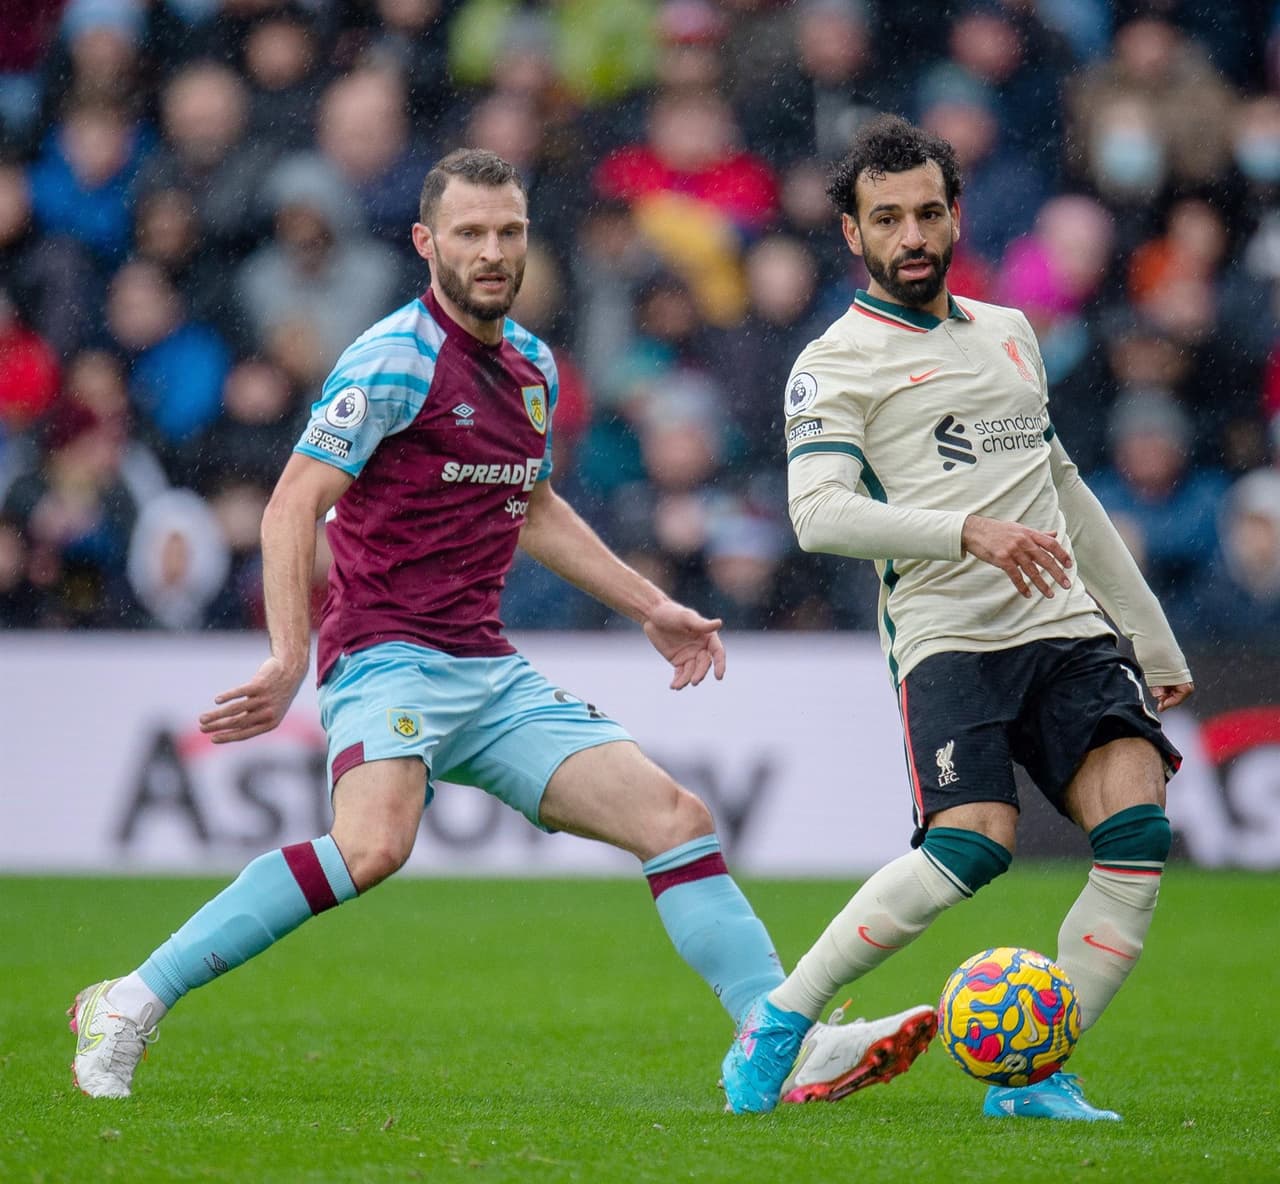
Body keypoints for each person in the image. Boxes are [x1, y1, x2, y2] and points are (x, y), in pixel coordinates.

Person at [68, 148, 916, 1105]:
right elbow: (291, 504)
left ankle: (777, 1039)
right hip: (385, 654)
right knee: (373, 846)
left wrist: (651, 606)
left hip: (484, 666)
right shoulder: (393, 359)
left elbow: (534, 506)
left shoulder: (532, 366)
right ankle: (128, 1000)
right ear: (426, 243)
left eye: (508, 231)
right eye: (469, 233)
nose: (492, 251)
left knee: (676, 820)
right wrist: (287, 658)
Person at [720, 116, 1192, 1119]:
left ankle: (1033, 1076)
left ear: (955, 216)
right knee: (971, 847)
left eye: (928, 213)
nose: (912, 236)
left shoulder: (1010, 331)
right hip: (949, 636)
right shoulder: (834, 362)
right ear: (850, 232)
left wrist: (1148, 633)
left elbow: (1063, 488)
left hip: (1066, 628)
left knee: (1137, 832)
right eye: (887, 217)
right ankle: (782, 1018)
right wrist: (964, 531)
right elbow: (817, 514)